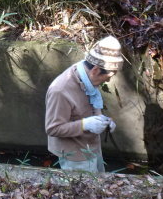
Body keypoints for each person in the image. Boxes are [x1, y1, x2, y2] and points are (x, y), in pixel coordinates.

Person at [45, 36, 124, 173]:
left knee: (100, 185)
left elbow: (87, 111)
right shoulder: (61, 90)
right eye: (107, 78)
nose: (107, 81)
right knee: (84, 192)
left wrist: (103, 122)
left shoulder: (87, 77)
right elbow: (53, 128)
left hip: (93, 147)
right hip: (75, 156)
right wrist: (85, 125)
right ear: (95, 70)